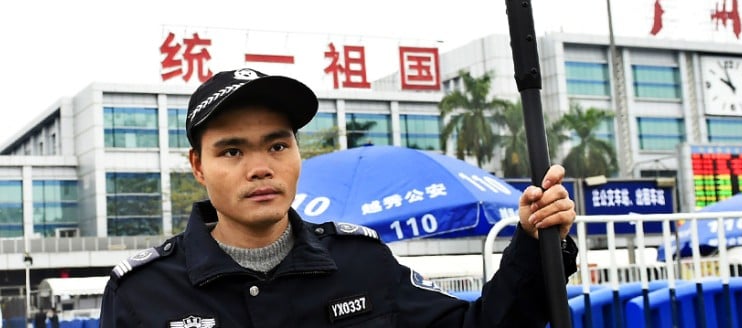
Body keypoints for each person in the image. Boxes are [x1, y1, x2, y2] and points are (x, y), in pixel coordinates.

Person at [100, 68, 578, 327]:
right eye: (231, 151)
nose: (261, 166)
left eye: (278, 145)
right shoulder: (142, 295)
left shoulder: (361, 263)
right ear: (199, 167)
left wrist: (536, 245)